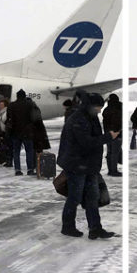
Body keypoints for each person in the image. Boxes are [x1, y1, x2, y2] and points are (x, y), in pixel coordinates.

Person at [57, 91, 119, 239]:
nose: (100, 110)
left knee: (93, 197)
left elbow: (93, 139)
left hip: (89, 165)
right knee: (75, 197)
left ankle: (95, 228)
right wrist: (108, 137)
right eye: (98, 107)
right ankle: (68, 226)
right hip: (76, 164)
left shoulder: (90, 117)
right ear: (90, 106)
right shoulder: (78, 119)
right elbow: (86, 142)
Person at [7, 89, 36, 176]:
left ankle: (17, 169)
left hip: (15, 132)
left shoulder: (12, 105)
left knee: (16, 151)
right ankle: (30, 169)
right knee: (29, 151)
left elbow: (9, 118)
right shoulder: (30, 105)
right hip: (27, 132)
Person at [102, 93, 123, 177]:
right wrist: (117, 131)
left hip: (108, 134)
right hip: (117, 133)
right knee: (115, 152)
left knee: (110, 152)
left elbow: (105, 122)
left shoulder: (106, 109)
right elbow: (118, 121)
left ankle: (110, 170)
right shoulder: (119, 108)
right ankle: (114, 170)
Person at [31, 101, 51, 177]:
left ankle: (37, 167)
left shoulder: (33, 111)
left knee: (36, 151)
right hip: (39, 135)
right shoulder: (36, 110)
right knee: (38, 151)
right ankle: (38, 167)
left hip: (36, 135)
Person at [0, 98, 13, 167]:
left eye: (1, 105)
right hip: (2, 131)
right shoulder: (1, 112)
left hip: (5, 132)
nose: (0, 106)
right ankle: (5, 160)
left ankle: (8, 161)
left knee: (8, 147)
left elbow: (5, 121)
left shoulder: (6, 112)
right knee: (4, 146)